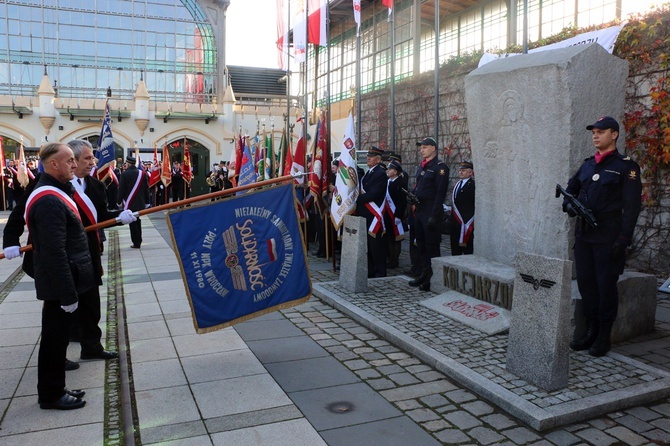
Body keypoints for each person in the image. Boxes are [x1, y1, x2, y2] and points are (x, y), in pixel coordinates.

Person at [562, 116, 642, 357]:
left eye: (601, 131)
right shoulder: (587, 165)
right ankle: (590, 331)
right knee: (587, 286)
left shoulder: (626, 167)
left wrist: (623, 239)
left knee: (605, 286)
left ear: (614, 134)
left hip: (608, 237)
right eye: (593, 132)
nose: (595, 135)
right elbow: (570, 191)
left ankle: (603, 336)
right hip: (584, 236)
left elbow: (632, 207)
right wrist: (569, 206)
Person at [25, 142, 92, 410]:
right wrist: (67, 293)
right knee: (53, 342)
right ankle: (50, 395)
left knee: (58, 339)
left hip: (64, 280)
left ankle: (56, 386)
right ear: (53, 165)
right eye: (69, 162)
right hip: (58, 285)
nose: (74, 165)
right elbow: (54, 253)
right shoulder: (50, 201)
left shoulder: (55, 191)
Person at [409, 137, 449, 291]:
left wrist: (435, 214)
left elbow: (440, 194)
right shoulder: (422, 166)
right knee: (421, 245)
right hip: (419, 210)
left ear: (433, 148)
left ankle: (433, 277)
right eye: (421, 147)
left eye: (425, 147)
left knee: (432, 246)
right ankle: (424, 273)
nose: (422, 150)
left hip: (431, 210)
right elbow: (418, 186)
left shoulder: (440, 167)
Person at [356, 146, 387, 278]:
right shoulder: (368, 172)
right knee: (367, 245)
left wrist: (356, 198)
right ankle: (370, 271)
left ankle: (380, 273)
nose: (368, 158)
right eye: (368, 156)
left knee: (376, 246)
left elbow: (373, 194)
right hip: (365, 213)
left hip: (374, 215)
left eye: (372, 156)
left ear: (378, 160)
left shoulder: (380, 174)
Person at [118, 155, 150, 249]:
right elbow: (146, 189)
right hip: (139, 201)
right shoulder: (142, 173)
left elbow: (121, 189)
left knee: (132, 221)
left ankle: (135, 242)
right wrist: (147, 202)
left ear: (127, 163)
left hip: (129, 201)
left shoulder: (124, 174)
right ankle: (139, 240)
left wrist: (118, 201)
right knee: (137, 220)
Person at [384, 160, 407, 268]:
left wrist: (398, 215)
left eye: (390, 169)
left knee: (396, 238)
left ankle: (395, 260)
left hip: (396, 214)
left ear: (396, 171)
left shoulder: (401, 182)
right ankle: (390, 258)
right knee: (389, 237)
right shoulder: (388, 181)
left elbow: (402, 201)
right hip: (387, 214)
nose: (388, 171)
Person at [449, 161, 475, 255]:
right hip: (456, 221)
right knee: (455, 246)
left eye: (463, 170)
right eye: (460, 170)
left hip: (466, 221)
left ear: (470, 172)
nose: (460, 172)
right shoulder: (458, 183)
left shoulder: (472, 185)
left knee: (467, 248)